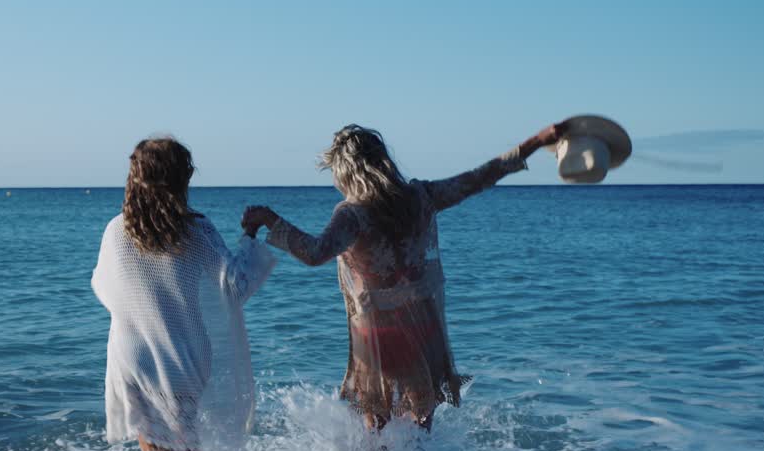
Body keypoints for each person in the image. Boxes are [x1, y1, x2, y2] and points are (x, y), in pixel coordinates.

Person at [242, 122, 565, 431]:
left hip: (379, 332)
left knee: (376, 426)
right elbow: (478, 178)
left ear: (345, 171)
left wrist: (270, 219)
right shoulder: (421, 198)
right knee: (422, 422)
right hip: (424, 323)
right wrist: (536, 142)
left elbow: (314, 253)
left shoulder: (352, 214)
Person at [92, 137, 276, 451]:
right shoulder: (195, 230)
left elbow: (103, 288)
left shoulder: (116, 230)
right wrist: (250, 236)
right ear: (181, 180)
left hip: (130, 359)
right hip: (181, 361)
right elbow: (235, 287)